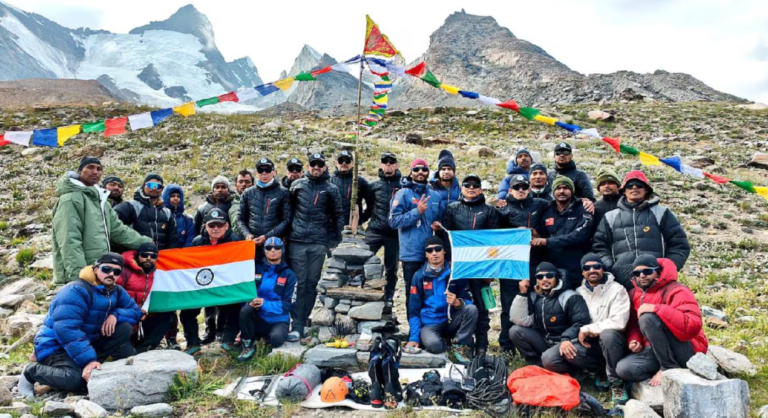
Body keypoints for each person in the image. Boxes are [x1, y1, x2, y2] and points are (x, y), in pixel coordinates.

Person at [19, 253, 142, 395]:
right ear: (95, 269)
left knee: (123, 327)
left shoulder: (116, 291)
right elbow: (66, 329)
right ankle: (31, 371)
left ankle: (89, 364)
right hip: (56, 346)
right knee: (77, 381)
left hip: (84, 343)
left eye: (117, 271)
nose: (111, 274)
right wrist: (88, 361)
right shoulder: (76, 290)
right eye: (106, 269)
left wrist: (116, 315)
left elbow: (135, 311)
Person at [52, 157, 151, 284]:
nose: (95, 172)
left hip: (98, 272)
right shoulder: (70, 199)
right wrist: (80, 276)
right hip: (81, 276)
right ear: (80, 171)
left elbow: (119, 231)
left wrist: (146, 243)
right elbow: (69, 240)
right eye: (90, 167)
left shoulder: (101, 201)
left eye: (99, 169)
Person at [615, 256, 707, 387]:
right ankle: (669, 368)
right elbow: (634, 325)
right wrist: (635, 340)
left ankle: (667, 367)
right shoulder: (634, 293)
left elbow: (692, 326)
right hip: (655, 349)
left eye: (647, 271)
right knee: (624, 369)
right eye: (637, 273)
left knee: (647, 318)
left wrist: (656, 309)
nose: (642, 275)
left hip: (687, 348)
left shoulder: (676, 290)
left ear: (657, 272)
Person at [592, 171, 690, 289]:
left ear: (646, 189)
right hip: (621, 283)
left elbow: (679, 244)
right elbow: (600, 246)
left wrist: (667, 267)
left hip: (656, 282)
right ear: (623, 190)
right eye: (630, 185)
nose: (634, 188)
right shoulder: (610, 217)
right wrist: (611, 267)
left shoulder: (661, 213)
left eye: (639, 185)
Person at [439, 174, 499, 358]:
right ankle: (461, 343)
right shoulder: (452, 209)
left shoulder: (489, 211)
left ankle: (481, 346)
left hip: (481, 269)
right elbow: (446, 237)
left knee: (482, 307)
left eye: (475, 185)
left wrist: (490, 269)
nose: (471, 188)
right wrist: (450, 261)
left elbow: (494, 242)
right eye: (467, 185)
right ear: (462, 188)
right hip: (459, 267)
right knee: (457, 303)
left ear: (480, 189)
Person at [287, 153, 344, 341]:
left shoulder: (331, 189)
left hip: (319, 243)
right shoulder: (297, 186)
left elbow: (337, 216)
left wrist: (336, 243)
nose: (316, 168)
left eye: (320, 165)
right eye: (313, 164)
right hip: (297, 242)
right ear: (308, 166)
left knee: (312, 284)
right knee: (298, 284)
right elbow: (288, 213)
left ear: (325, 167)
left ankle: (303, 321)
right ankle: (295, 324)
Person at [509, 262, 596, 374]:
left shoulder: (570, 296)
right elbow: (518, 319)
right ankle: (538, 366)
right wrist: (522, 293)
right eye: (540, 277)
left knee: (549, 359)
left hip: (568, 341)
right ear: (537, 280)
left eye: (549, 275)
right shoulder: (535, 296)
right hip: (546, 341)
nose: (545, 279)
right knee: (515, 331)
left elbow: (581, 322)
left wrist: (566, 339)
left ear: (556, 278)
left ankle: (574, 371)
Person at [180, 208, 244, 355]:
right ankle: (193, 343)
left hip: (225, 286)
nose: (215, 229)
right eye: (212, 225)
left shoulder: (235, 242)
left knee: (235, 308)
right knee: (186, 312)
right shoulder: (197, 242)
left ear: (227, 226)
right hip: (202, 286)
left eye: (219, 225)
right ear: (205, 226)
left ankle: (228, 340)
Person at [498, 174, 548, 352]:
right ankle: (506, 344)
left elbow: (552, 221)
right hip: (510, 264)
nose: (520, 190)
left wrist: (535, 232)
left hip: (534, 261)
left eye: (524, 187)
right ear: (510, 190)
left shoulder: (541, 204)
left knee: (535, 302)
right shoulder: (502, 208)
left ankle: (534, 343)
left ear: (529, 189)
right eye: (516, 187)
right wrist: (514, 232)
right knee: (508, 304)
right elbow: (494, 234)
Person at [406, 237, 478, 363]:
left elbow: (468, 299)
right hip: (430, 323)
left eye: (438, 249)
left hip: (451, 320)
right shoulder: (419, 276)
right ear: (426, 255)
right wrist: (414, 338)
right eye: (430, 250)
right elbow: (413, 310)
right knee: (435, 346)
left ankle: (460, 345)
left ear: (444, 251)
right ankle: (447, 346)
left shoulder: (455, 273)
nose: (434, 253)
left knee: (471, 309)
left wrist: (458, 303)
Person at [389, 158, 443, 316]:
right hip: (411, 254)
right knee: (412, 295)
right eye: (417, 169)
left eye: (424, 169)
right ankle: (414, 332)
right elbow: (393, 221)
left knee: (431, 294)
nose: (421, 172)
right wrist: (416, 212)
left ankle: (428, 330)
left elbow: (438, 219)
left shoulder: (435, 196)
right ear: (410, 172)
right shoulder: (402, 193)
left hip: (431, 255)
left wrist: (437, 226)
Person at [576, 253, 631, 406]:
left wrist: (588, 328)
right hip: (589, 341)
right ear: (582, 272)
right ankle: (600, 372)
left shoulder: (617, 290)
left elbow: (619, 322)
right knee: (568, 351)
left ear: (602, 269)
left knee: (608, 335)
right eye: (587, 267)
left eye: (596, 266)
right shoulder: (578, 292)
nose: (592, 270)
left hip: (613, 341)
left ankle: (617, 383)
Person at [238, 237, 297, 361]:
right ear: (264, 250)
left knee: (276, 340)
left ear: (283, 250)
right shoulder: (255, 269)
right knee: (245, 310)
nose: (273, 250)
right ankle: (247, 345)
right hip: (258, 317)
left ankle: (262, 338)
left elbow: (287, 306)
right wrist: (250, 302)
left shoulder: (289, 275)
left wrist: (264, 304)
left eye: (277, 248)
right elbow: (245, 293)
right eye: (269, 248)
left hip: (278, 319)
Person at [533, 176, 594, 289]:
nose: (561, 191)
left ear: (572, 190)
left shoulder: (584, 209)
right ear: (553, 191)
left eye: (565, 188)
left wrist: (546, 241)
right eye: (558, 188)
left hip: (576, 269)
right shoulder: (546, 211)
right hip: (552, 270)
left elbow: (579, 236)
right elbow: (542, 237)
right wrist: (536, 235)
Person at [117, 243, 174, 353]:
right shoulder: (124, 271)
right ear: (138, 256)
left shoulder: (160, 273)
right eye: (144, 255)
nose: (148, 258)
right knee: (126, 352)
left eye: (153, 256)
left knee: (167, 314)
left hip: (147, 316)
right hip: (126, 316)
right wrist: (135, 312)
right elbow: (115, 296)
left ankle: (145, 349)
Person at [365, 152, 402, 305]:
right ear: (381, 165)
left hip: (394, 234)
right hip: (375, 230)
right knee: (362, 260)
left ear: (396, 165)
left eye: (391, 162)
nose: (388, 164)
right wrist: (358, 221)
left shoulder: (403, 185)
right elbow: (368, 208)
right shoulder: (373, 186)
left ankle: (389, 298)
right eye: (385, 162)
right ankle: (363, 292)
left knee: (392, 269)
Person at [237, 159, 291, 261]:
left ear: (274, 172)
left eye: (268, 170)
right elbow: (240, 219)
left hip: (274, 245)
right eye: (261, 170)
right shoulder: (247, 193)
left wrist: (267, 237)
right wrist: (247, 234)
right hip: (252, 244)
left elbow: (287, 220)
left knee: (274, 275)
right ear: (256, 172)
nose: (264, 173)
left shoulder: (283, 192)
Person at [114, 174, 178, 250]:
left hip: (159, 257)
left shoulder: (167, 212)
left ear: (162, 190)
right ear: (144, 186)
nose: (154, 188)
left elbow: (172, 239)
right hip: (134, 256)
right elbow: (113, 227)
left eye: (158, 186)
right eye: (151, 185)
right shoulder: (130, 206)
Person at [547, 142, 595, 210]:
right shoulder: (549, 175)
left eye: (566, 152)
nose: (562, 155)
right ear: (554, 156)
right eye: (558, 152)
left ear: (571, 156)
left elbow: (590, 199)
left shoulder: (580, 175)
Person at [330, 150, 371, 226]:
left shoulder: (361, 181)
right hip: (331, 227)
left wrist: (361, 219)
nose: (344, 163)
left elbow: (371, 203)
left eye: (347, 161)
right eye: (341, 161)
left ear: (352, 163)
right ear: (336, 163)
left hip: (352, 226)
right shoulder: (328, 181)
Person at [162, 184, 196, 248]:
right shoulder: (159, 217)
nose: (176, 198)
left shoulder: (187, 219)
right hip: (164, 255)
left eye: (178, 196)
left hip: (182, 255)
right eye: (172, 196)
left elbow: (190, 239)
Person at [428, 150, 460, 216]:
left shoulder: (461, 190)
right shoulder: (430, 189)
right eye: (443, 169)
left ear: (454, 171)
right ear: (439, 171)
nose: (446, 172)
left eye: (449, 169)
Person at [229, 169, 255, 236]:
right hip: (236, 242)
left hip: (255, 240)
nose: (243, 184)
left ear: (253, 184)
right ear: (235, 185)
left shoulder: (259, 201)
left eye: (247, 182)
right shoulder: (229, 202)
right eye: (240, 182)